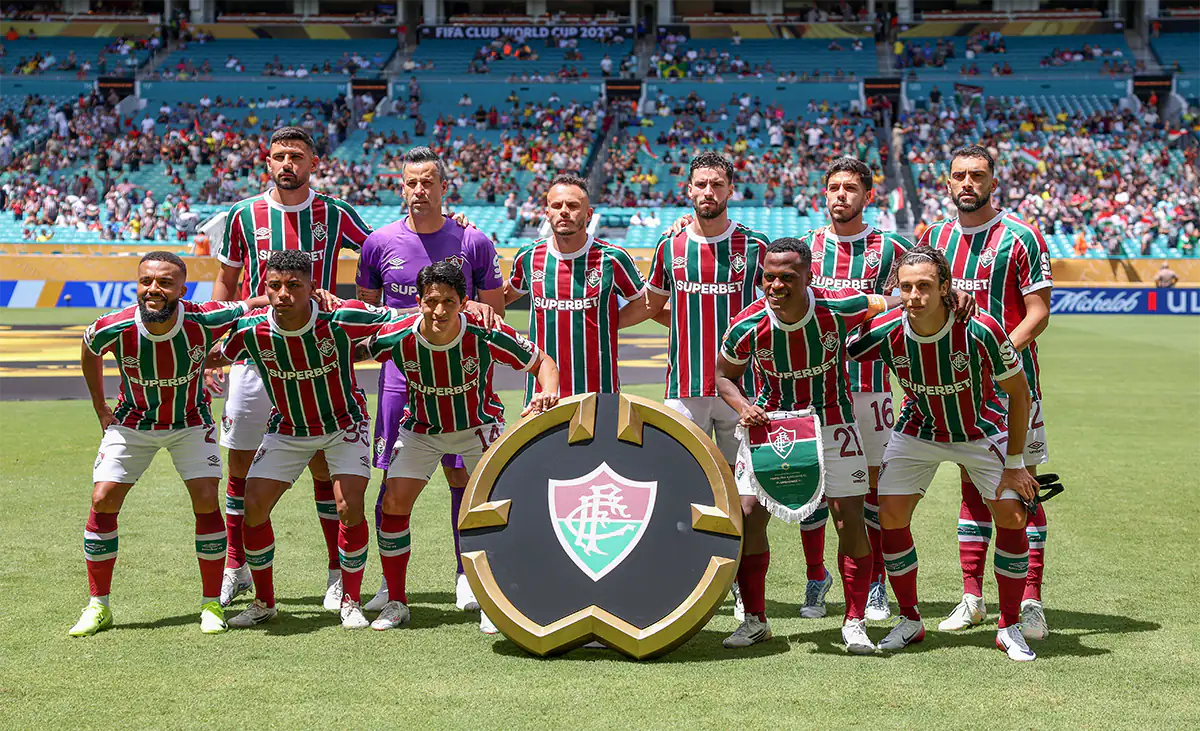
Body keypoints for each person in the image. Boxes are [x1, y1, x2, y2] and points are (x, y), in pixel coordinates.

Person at [847, 246, 1041, 662]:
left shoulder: (980, 328)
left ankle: (1009, 626)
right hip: (919, 428)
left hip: (980, 429)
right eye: (906, 288)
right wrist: (879, 305)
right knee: (889, 514)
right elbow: (841, 338)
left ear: (945, 288)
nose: (915, 296)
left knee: (1011, 516)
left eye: (924, 286)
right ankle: (910, 619)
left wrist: (1015, 464)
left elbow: (1019, 394)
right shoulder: (887, 329)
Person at [210, 126, 373, 613]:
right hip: (255, 354)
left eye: (296, 156)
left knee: (325, 464)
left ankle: (336, 575)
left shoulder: (336, 213)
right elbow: (226, 281)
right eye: (279, 156)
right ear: (267, 163)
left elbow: (381, 254)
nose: (287, 164)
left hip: (318, 356)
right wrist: (219, 342)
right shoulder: (243, 214)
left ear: (313, 163)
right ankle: (236, 567)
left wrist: (448, 223)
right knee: (240, 467)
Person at [358, 261, 560, 633]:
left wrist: (548, 392)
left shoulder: (486, 331)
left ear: (463, 302)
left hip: (477, 428)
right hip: (422, 430)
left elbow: (542, 362)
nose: (439, 310)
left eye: (449, 302)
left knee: (494, 510)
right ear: (419, 301)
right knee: (393, 504)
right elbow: (348, 350)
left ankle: (494, 600)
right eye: (432, 301)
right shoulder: (396, 335)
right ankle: (397, 601)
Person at [717, 238, 897, 652]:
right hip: (772, 427)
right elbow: (724, 375)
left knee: (848, 520)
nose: (776, 286)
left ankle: (854, 622)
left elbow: (890, 301)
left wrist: (935, 295)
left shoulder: (840, 307)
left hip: (833, 423)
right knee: (748, 516)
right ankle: (755, 620)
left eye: (787, 277)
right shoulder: (747, 324)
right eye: (769, 277)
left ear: (809, 277)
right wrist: (743, 406)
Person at [208, 250, 400, 630]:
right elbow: (217, 354)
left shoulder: (341, 316)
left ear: (313, 287)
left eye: (294, 285)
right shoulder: (251, 330)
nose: (283, 294)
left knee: (348, 506)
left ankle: (350, 601)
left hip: (343, 425)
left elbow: (401, 319)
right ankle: (264, 602)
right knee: (253, 506)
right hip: (289, 428)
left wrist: (465, 309)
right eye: (275, 285)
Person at [70, 252, 257, 637]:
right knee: (103, 499)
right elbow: (89, 348)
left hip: (190, 421)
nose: (153, 289)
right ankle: (98, 606)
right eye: (146, 281)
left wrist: (314, 295)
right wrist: (100, 405)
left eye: (165, 283)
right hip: (133, 422)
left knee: (205, 498)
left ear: (182, 290)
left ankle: (211, 604)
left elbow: (252, 303)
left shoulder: (204, 318)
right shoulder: (114, 326)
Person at [354, 146, 504, 614]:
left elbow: (495, 313)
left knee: (464, 479)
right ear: (402, 188)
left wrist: (475, 307)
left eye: (428, 182)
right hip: (399, 382)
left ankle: (467, 576)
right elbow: (366, 317)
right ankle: (389, 583)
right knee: (393, 482)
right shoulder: (378, 243)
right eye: (411, 183)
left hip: (461, 383)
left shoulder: (473, 241)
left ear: (444, 187)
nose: (419, 190)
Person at [919, 145, 1053, 640]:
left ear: (993, 182)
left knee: (1021, 488)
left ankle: (1031, 602)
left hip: (1013, 388)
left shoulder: (1021, 236)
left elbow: (1038, 312)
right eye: (959, 176)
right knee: (972, 489)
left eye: (977, 175)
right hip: (956, 389)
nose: (967, 183)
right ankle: (972, 599)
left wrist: (996, 357)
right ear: (947, 183)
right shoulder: (934, 238)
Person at [796, 156, 914, 622]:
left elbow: (916, 292)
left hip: (870, 389)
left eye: (850, 188)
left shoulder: (892, 248)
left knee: (872, 489)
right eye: (833, 187)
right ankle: (816, 577)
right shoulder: (806, 247)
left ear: (868, 195)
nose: (840, 195)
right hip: (814, 389)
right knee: (812, 488)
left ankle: (876, 583)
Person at [505, 173, 652, 403]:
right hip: (542, 396)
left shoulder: (612, 258)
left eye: (573, 206)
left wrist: (608, 321)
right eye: (557, 205)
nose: (564, 211)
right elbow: (502, 297)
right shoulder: (529, 257)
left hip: (600, 392)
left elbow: (646, 302)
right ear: (547, 213)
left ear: (588, 214)